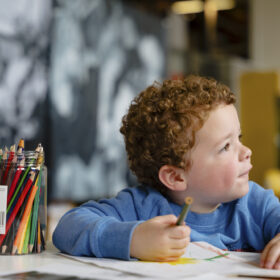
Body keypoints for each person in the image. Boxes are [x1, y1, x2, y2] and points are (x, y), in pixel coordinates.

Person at [52, 75, 280, 270]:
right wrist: (134, 239)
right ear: (176, 177)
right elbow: (68, 227)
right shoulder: (142, 206)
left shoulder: (256, 205)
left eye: (238, 138)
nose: (247, 152)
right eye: (226, 147)